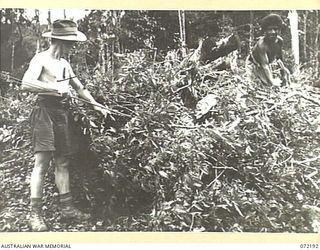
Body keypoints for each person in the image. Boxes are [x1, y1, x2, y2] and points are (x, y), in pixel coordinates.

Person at [21, 19, 109, 232]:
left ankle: (67, 208)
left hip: (61, 114)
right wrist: (54, 88)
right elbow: (26, 83)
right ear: (60, 41)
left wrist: (96, 105)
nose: (73, 46)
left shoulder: (64, 64)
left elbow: (79, 88)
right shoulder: (40, 59)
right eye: (71, 42)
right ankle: (35, 214)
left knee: (63, 161)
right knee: (42, 162)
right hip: (44, 112)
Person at [246, 13, 291, 86]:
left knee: (273, 83)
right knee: (259, 85)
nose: (273, 32)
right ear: (265, 31)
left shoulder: (279, 41)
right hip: (253, 64)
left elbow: (280, 59)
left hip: (265, 64)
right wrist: (272, 82)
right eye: (270, 29)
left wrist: (284, 75)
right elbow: (265, 66)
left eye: (275, 29)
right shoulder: (261, 45)